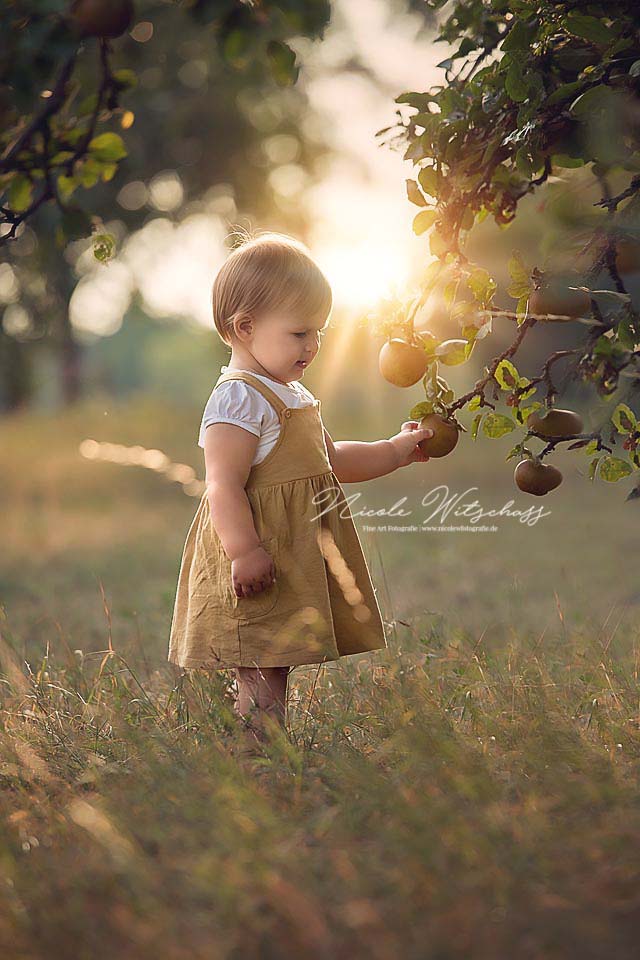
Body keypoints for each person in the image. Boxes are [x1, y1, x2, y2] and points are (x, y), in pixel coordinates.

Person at [167, 230, 434, 746]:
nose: (313, 346)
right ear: (245, 327)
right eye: (299, 333)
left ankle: (259, 741)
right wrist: (244, 552)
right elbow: (223, 487)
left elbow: (330, 461)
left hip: (292, 552)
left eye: (319, 333)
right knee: (263, 660)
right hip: (260, 551)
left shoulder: (290, 394)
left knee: (274, 659)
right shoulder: (237, 401)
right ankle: (257, 751)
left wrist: (394, 451)